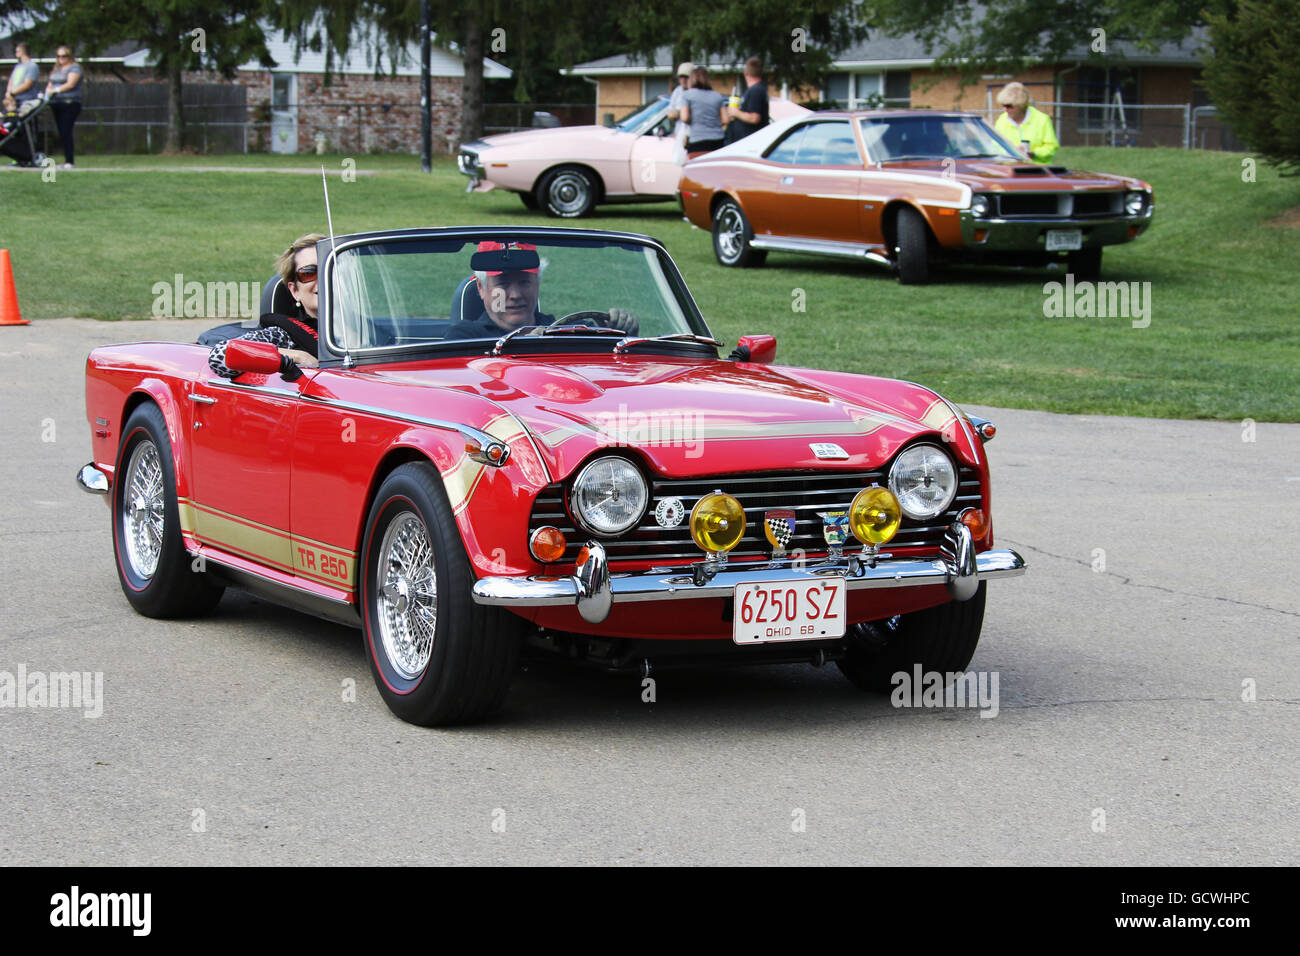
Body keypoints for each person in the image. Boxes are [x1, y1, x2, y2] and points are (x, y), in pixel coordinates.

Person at [444, 241, 638, 340]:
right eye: (503, 284)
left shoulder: (570, 331)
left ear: (537, 283)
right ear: (481, 288)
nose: (516, 295)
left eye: (524, 282)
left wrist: (621, 332)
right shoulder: (463, 338)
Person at [208, 234, 325, 378]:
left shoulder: (360, 329)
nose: (322, 280)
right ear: (295, 291)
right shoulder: (285, 335)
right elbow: (221, 355)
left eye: (329, 270)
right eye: (308, 273)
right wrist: (299, 357)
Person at [993, 81, 1058, 163]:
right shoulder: (1001, 120)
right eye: (1003, 105)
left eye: (1009, 106)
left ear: (1021, 105)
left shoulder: (1042, 119)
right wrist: (1012, 153)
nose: (1005, 109)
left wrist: (1033, 153)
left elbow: (1051, 146)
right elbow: (995, 146)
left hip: (1039, 171)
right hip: (1010, 170)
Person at [45, 46, 83, 168]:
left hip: (70, 103)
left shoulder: (75, 68)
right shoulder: (56, 69)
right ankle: (66, 159)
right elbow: (49, 84)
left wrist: (56, 90)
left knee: (66, 130)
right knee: (61, 132)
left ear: (69, 56)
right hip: (56, 103)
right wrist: (47, 93)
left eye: (64, 56)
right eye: (58, 56)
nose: (61, 58)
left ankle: (69, 161)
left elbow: (71, 84)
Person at [679, 66, 726, 154]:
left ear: (692, 79)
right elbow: (725, 119)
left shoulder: (687, 95)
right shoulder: (717, 96)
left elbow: (684, 117)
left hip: (697, 139)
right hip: (718, 140)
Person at [722, 57, 769, 145]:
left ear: (746, 72)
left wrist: (735, 112)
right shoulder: (759, 89)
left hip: (749, 143)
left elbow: (755, 118)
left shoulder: (756, 90)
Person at [665, 61, 694, 164]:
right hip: (679, 134)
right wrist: (678, 113)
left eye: (686, 77)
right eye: (681, 77)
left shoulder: (695, 92)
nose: (683, 80)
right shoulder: (677, 92)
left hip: (692, 136)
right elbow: (670, 113)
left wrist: (681, 113)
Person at [5, 42, 39, 107]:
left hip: (26, 100)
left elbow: (27, 85)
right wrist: (8, 93)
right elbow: (11, 81)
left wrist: (12, 93)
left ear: (22, 52)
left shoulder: (32, 66)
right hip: (14, 100)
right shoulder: (17, 66)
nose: (16, 53)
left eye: (17, 51)